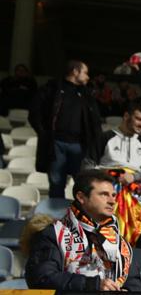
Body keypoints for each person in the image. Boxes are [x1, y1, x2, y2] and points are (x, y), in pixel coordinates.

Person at [29, 60, 104, 198]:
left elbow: (95, 121)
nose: (88, 77)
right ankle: (57, 216)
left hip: (80, 146)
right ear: (75, 72)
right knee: (56, 182)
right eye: (85, 73)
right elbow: (35, 112)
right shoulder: (52, 89)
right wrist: (43, 133)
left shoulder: (86, 94)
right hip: (56, 144)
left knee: (84, 184)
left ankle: (82, 216)